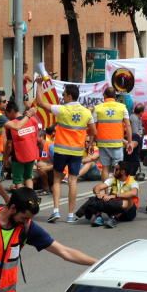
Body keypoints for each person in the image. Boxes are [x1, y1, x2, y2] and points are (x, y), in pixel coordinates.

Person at [38, 82, 95, 223]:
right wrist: (85, 139)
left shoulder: (61, 110)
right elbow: (94, 131)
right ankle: (70, 215)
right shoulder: (86, 112)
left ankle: (56, 211)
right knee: (73, 181)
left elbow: (40, 102)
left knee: (57, 180)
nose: (62, 97)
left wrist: (39, 84)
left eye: (63, 95)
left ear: (69, 96)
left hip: (61, 150)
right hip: (76, 152)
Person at [75, 160, 139, 227]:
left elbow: (134, 193)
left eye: (116, 169)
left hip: (128, 212)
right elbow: (97, 187)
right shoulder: (113, 179)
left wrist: (114, 196)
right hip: (114, 205)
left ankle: (114, 218)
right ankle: (98, 217)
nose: (114, 171)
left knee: (129, 199)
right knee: (95, 199)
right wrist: (98, 194)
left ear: (122, 172)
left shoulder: (133, 182)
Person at [92, 87, 131, 180]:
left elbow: (93, 127)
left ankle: (105, 192)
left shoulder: (97, 108)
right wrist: (129, 142)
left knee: (105, 168)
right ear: (115, 96)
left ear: (104, 95)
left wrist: (91, 143)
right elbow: (128, 126)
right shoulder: (122, 107)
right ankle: (117, 192)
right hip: (117, 143)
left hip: (103, 144)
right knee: (119, 168)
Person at [3, 102, 39, 191]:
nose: (6, 116)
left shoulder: (12, 125)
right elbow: (36, 137)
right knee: (28, 177)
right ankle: (31, 198)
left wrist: (6, 158)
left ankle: (23, 202)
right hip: (31, 154)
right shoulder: (32, 120)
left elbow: (9, 144)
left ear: (11, 111)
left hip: (18, 156)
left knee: (18, 181)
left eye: (6, 113)